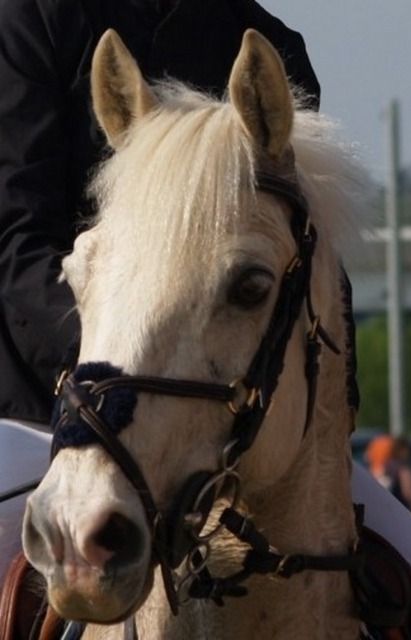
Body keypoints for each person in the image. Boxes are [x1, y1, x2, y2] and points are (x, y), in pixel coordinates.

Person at [0, 0, 320, 425]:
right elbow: (17, 240)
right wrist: (124, 358)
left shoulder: (274, 48)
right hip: (36, 405)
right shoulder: (33, 20)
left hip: (221, 411)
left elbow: (303, 252)